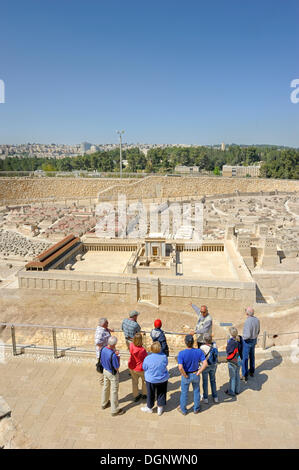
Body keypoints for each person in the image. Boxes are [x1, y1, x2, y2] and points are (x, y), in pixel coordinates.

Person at [177, 334, 208, 415]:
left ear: (185, 342)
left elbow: (180, 367)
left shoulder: (181, 353)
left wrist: (184, 375)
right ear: (193, 342)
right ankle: (196, 409)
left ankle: (183, 410)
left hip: (186, 375)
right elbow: (205, 363)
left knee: (184, 393)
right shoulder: (198, 351)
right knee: (196, 391)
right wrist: (199, 372)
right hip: (195, 374)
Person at [141, 342, 169, 416]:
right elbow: (166, 364)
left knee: (150, 393)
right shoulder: (164, 356)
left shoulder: (147, 358)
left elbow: (144, 367)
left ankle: (149, 407)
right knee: (161, 393)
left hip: (151, 379)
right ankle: (160, 408)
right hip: (162, 378)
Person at [101, 336, 125, 416]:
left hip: (105, 370)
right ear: (114, 344)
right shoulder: (113, 355)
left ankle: (104, 403)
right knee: (114, 391)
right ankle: (114, 410)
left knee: (105, 387)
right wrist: (118, 357)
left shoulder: (103, 349)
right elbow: (117, 367)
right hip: (112, 373)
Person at [242, 307, 260, 382]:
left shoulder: (247, 321)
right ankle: (252, 371)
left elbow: (247, 335)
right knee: (252, 356)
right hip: (254, 340)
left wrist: (242, 338)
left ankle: (245, 375)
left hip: (248, 341)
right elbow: (258, 331)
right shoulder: (257, 320)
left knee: (245, 358)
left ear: (247, 313)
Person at [128, 332, 148, 402]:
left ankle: (136, 395)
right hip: (140, 368)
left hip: (132, 367)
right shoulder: (142, 350)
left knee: (134, 382)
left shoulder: (131, 345)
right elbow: (146, 358)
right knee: (144, 381)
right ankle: (144, 394)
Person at [200, 333, 219, 404]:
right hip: (213, 365)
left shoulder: (202, 347)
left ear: (204, 340)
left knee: (205, 382)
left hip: (205, 366)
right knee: (213, 381)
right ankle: (215, 397)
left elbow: (200, 358)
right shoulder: (214, 345)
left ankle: (205, 398)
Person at [95, 318, 114, 385]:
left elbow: (105, 330)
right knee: (103, 367)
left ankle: (106, 379)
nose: (108, 324)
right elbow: (97, 342)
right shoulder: (101, 332)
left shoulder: (102, 328)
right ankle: (102, 382)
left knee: (106, 366)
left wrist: (109, 330)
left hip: (105, 352)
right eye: (107, 323)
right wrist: (103, 350)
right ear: (103, 324)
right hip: (103, 353)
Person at [225, 327, 243, 396]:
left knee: (232, 377)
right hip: (239, 359)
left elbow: (228, 351)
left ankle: (232, 391)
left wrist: (228, 344)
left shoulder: (231, 342)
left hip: (232, 360)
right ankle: (237, 390)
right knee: (237, 375)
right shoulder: (240, 340)